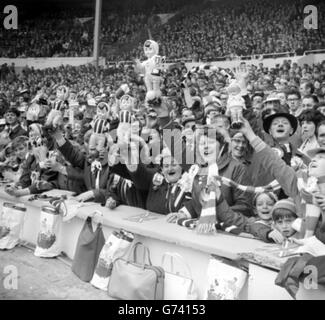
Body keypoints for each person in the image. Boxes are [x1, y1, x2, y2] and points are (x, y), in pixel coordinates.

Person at [239, 116, 325, 243]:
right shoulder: (301, 184)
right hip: (305, 252)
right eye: (314, 158)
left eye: (321, 157)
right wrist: (249, 134)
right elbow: (274, 163)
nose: (315, 160)